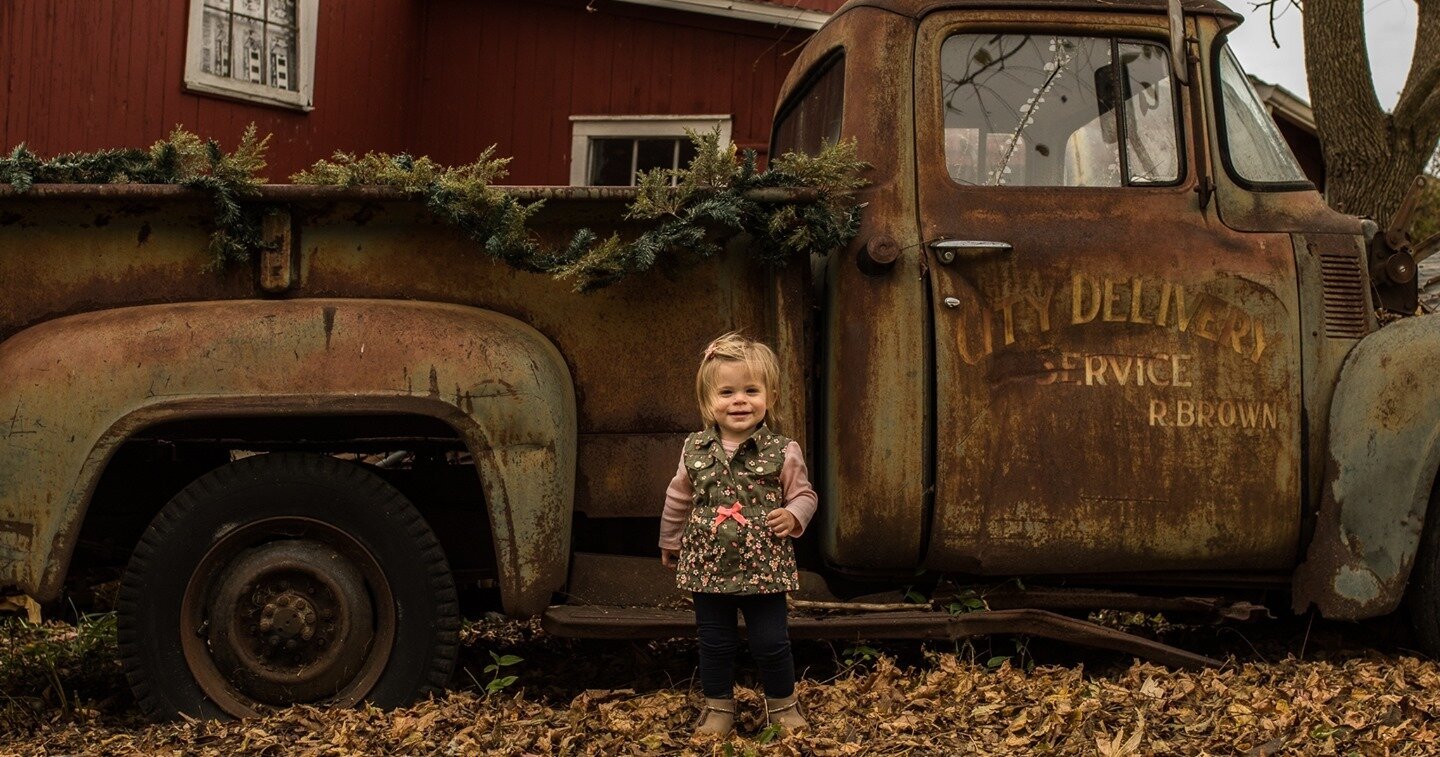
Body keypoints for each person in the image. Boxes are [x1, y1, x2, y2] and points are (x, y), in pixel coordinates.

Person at [659, 331, 818, 738]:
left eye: (751, 390)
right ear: (708, 402)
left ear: (770, 396)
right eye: (727, 392)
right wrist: (669, 539)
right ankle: (718, 708)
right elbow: (679, 495)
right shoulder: (694, 449)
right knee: (715, 642)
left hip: (764, 566)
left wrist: (793, 515)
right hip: (708, 567)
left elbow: (804, 494)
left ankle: (783, 705)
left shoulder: (783, 450)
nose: (740, 400)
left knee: (770, 641)